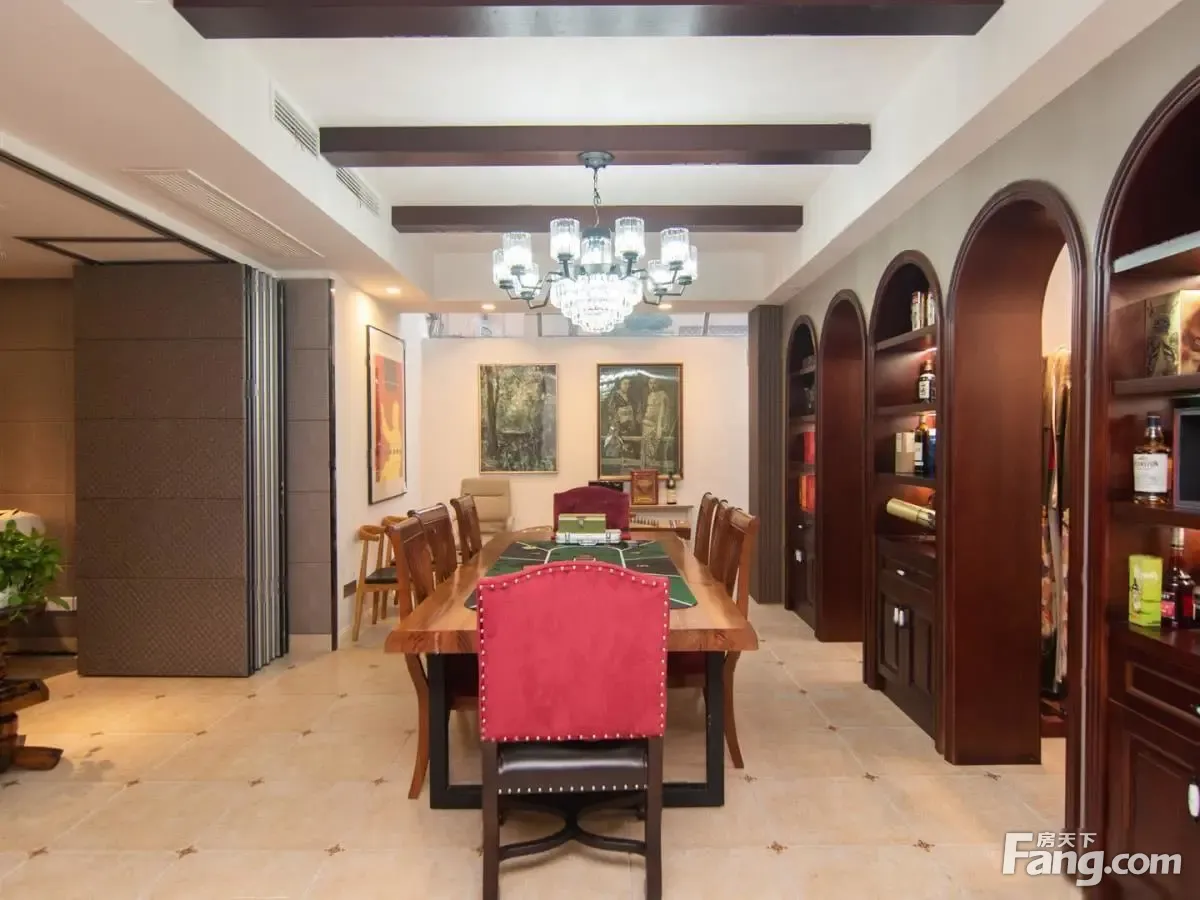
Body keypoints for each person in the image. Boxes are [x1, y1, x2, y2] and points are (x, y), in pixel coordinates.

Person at [641, 381, 668, 465]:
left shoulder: (663, 394)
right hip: (647, 423)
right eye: (650, 383)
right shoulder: (648, 395)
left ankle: (653, 464)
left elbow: (667, 410)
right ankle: (646, 465)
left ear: (658, 384)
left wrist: (665, 423)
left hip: (657, 423)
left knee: (656, 443)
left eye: (654, 383)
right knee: (646, 446)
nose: (652, 385)